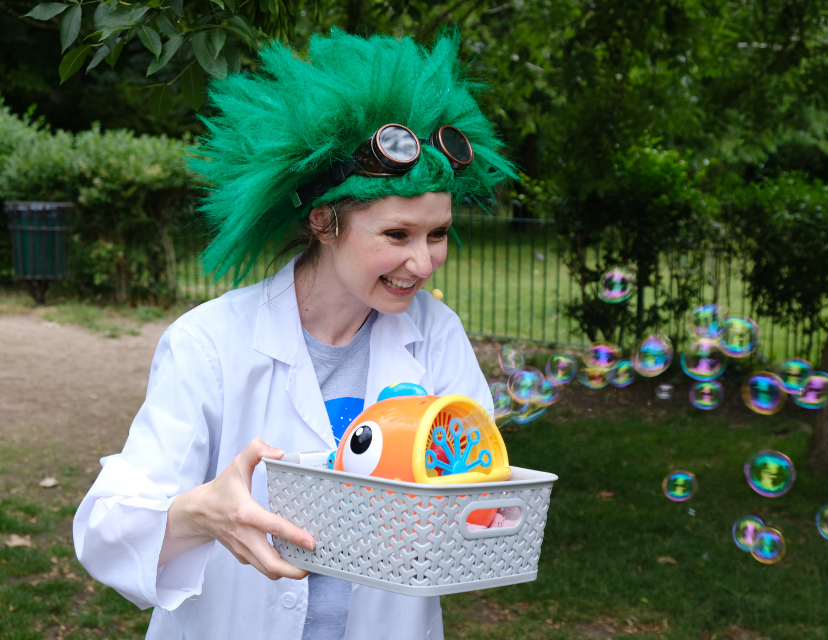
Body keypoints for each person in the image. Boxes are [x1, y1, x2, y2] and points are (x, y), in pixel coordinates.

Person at [73, 29, 515, 640]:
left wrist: (482, 515)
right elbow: (104, 529)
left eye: (436, 233)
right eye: (396, 235)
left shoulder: (436, 333)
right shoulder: (208, 342)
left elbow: (476, 488)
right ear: (323, 222)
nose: (424, 262)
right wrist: (201, 514)